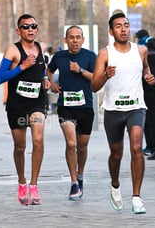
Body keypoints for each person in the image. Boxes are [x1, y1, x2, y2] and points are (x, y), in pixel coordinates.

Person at [91, 12, 155, 214]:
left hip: (136, 106)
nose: (123, 29)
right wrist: (105, 75)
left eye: (126, 25)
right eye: (118, 26)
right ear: (111, 31)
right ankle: (115, 184)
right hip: (113, 110)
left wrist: (148, 76)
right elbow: (94, 86)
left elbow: (145, 69)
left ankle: (136, 197)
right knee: (116, 154)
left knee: (136, 147)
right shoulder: (105, 53)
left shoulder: (141, 50)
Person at [0, 14, 50, 206]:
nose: (30, 29)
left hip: (37, 103)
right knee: (20, 147)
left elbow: (42, 69)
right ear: (19, 31)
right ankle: (21, 182)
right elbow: (0, 77)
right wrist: (22, 66)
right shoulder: (13, 50)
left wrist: (45, 78)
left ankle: (34, 186)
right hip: (17, 105)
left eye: (34, 26)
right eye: (26, 27)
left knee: (38, 139)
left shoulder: (41, 48)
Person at [46, 25, 96, 201]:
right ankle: (73, 182)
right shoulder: (59, 56)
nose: (75, 41)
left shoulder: (90, 56)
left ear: (83, 40)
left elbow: (98, 78)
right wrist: (51, 82)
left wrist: (80, 70)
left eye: (78, 37)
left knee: (82, 146)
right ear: (66, 40)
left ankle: (80, 175)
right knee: (71, 144)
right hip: (65, 106)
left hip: (86, 107)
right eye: (71, 37)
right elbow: (49, 70)